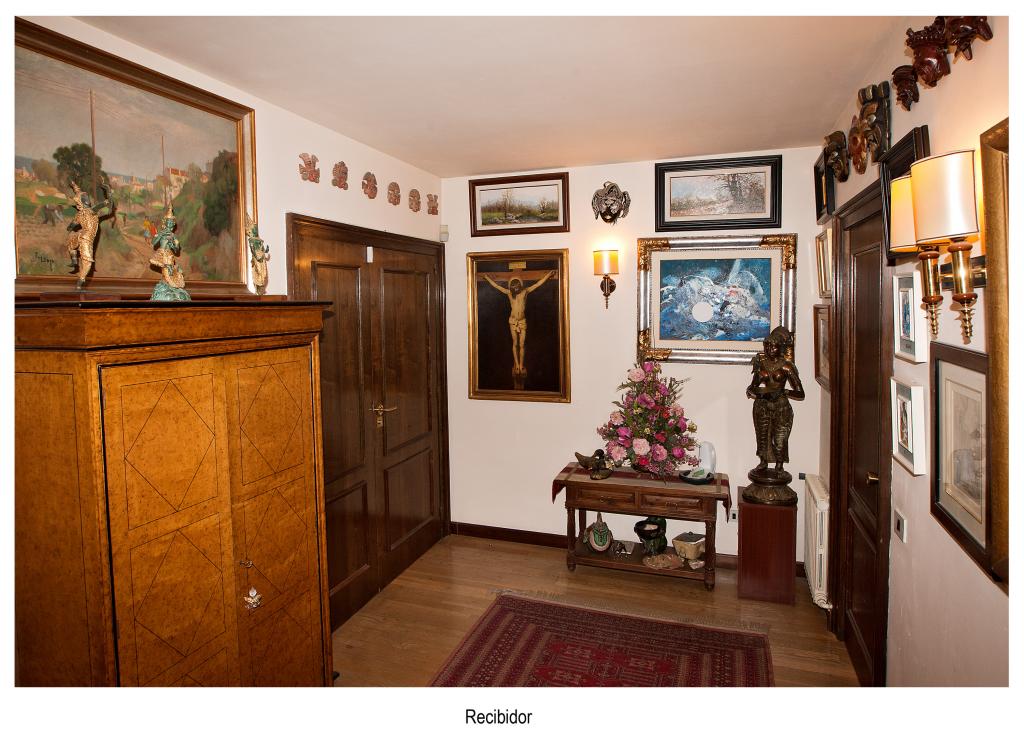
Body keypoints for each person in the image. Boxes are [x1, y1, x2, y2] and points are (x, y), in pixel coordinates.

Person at [746, 326, 805, 472]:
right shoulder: (761, 363)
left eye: (774, 346)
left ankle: (779, 465)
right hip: (762, 404)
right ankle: (763, 461)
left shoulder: (787, 367)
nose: (770, 349)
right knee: (762, 436)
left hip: (781, 406)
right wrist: (753, 392)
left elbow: (800, 393)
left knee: (779, 439)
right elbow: (753, 386)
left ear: (781, 348)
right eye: (767, 346)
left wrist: (784, 391)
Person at [482, 270, 555, 377]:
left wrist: (548, 275)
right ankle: (516, 364)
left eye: (517, 285)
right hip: (513, 321)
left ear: (520, 285)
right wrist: (487, 278)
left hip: (522, 322)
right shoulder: (509, 293)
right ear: (511, 286)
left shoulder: (525, 292)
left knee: (522, 344)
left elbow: (538, 284)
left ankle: (521, 365)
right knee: (515, 343)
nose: (515, 287)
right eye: (514, 285)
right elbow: (497, 286)